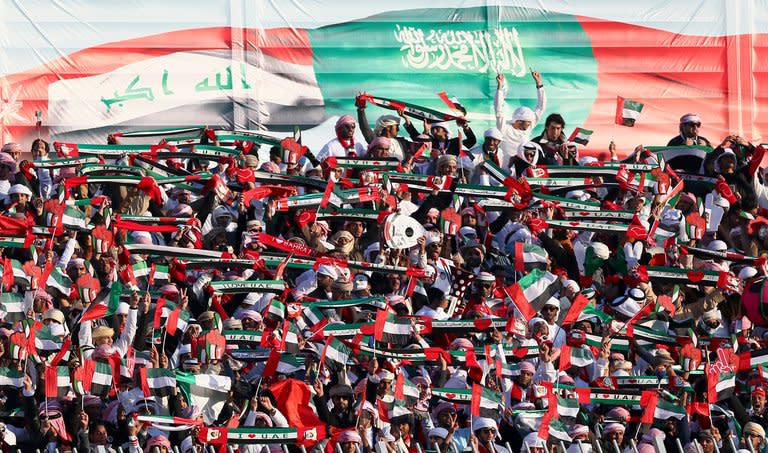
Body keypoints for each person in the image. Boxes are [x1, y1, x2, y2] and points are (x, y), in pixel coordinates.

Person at [494, 70, 546, 168]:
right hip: (506, 169)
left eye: (530, 123)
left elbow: (541, 107)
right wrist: (500, 87)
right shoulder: (504, 127)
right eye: (527, 123)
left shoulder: (529, 126)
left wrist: (539, 84)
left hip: (524, 168)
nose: (530, 125)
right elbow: (498, 108)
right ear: (519, 121)